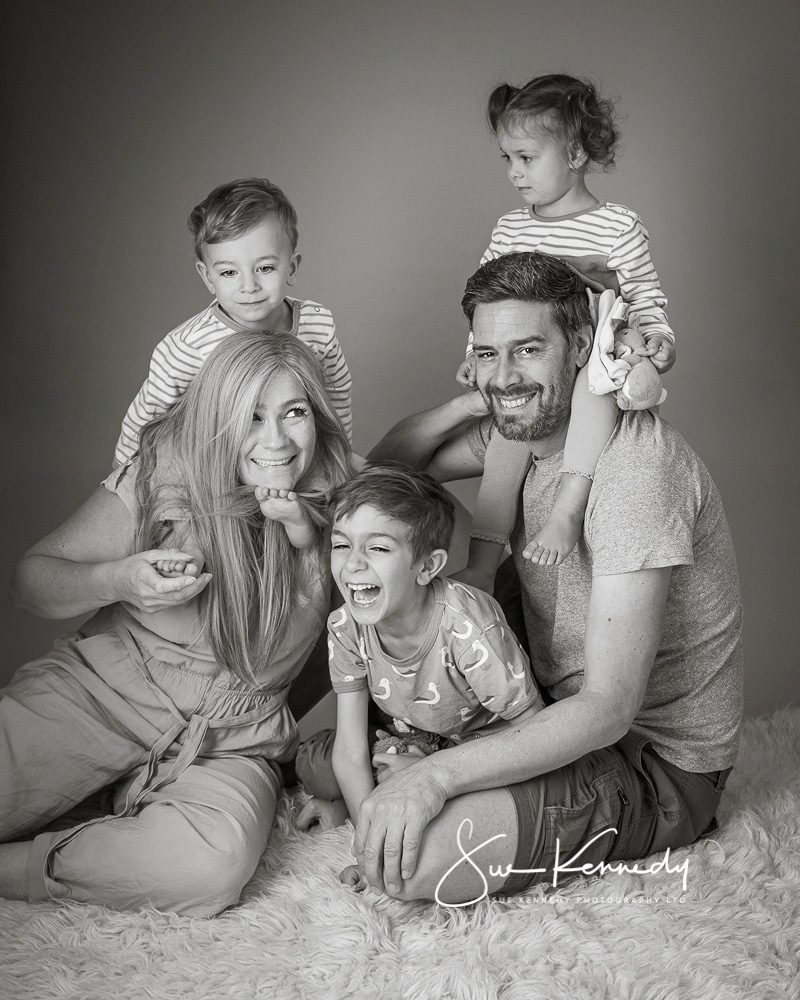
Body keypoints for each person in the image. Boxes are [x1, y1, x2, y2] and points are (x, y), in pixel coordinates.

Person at [358, 251, 742, 905]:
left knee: (412, 862)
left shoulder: (635, 470)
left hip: (652, 762)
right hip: (546, 703)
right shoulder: (522, 431)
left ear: (583, 347)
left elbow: (610, 708)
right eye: (487, 351)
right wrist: (481, 393)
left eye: (528, 350)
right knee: (369, 549)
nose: (507, 375)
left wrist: (438, 777)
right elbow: (386, 470)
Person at [1, 331, 352, 916]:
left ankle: (24, 865)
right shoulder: (165, 472)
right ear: (216, 418)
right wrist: (118, 579)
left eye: (294, 412)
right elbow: (28, 583)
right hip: (101, 691)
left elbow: (387, 606)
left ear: (316, 415)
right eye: (251, 416)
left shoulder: (342, 498)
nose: (276, 442)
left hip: (233, 740)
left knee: (208, 868)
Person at [458, 74, 676, 590]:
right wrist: (477, 352)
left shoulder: (616, 226)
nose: (514, 173)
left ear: (575, 154)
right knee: (507, 443)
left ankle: (568, 510)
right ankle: (484, 563)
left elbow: (645, 296)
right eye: (507, 159)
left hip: (594, 353)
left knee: (594, 396)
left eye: (527, 158)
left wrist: (658, 338)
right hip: (537, 363)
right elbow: (487, 299)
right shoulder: (510, 229)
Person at [293, 463, 543, 887]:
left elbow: (534, 735)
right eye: (341, 545)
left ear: (427, 567)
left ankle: (400, 783)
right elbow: (352, 747)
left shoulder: (466, 627)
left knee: (441, 831)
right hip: (405, 732)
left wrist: (431, 770)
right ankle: (353, 804)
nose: (352, 565)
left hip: (482, 746)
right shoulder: (345, 626)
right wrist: (366, 841)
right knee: (315, 764)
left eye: (378, 549)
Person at [114, 176, 353, 467]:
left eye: (265, 268)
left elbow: (336, 394)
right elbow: (146, 418)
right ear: (207, 277)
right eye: (229, 273)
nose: (249, 286)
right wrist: (126, 475)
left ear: (291, 268)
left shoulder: (318, 325)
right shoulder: (188, 347)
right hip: (209, 465)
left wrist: (340, 453)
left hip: (284, 457)